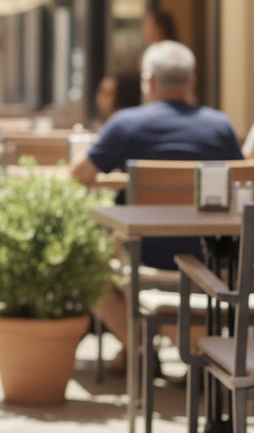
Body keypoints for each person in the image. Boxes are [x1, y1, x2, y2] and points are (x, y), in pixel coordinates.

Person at [71, 41, 242, 359]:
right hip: (208, 258)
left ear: (148, 82)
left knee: (85, 266)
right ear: (191, 82)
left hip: (142, 256)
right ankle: (180, 341)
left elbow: (79, 174)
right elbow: (242, 185)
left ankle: (137, 347)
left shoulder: (125, 123)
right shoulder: (220, 126)